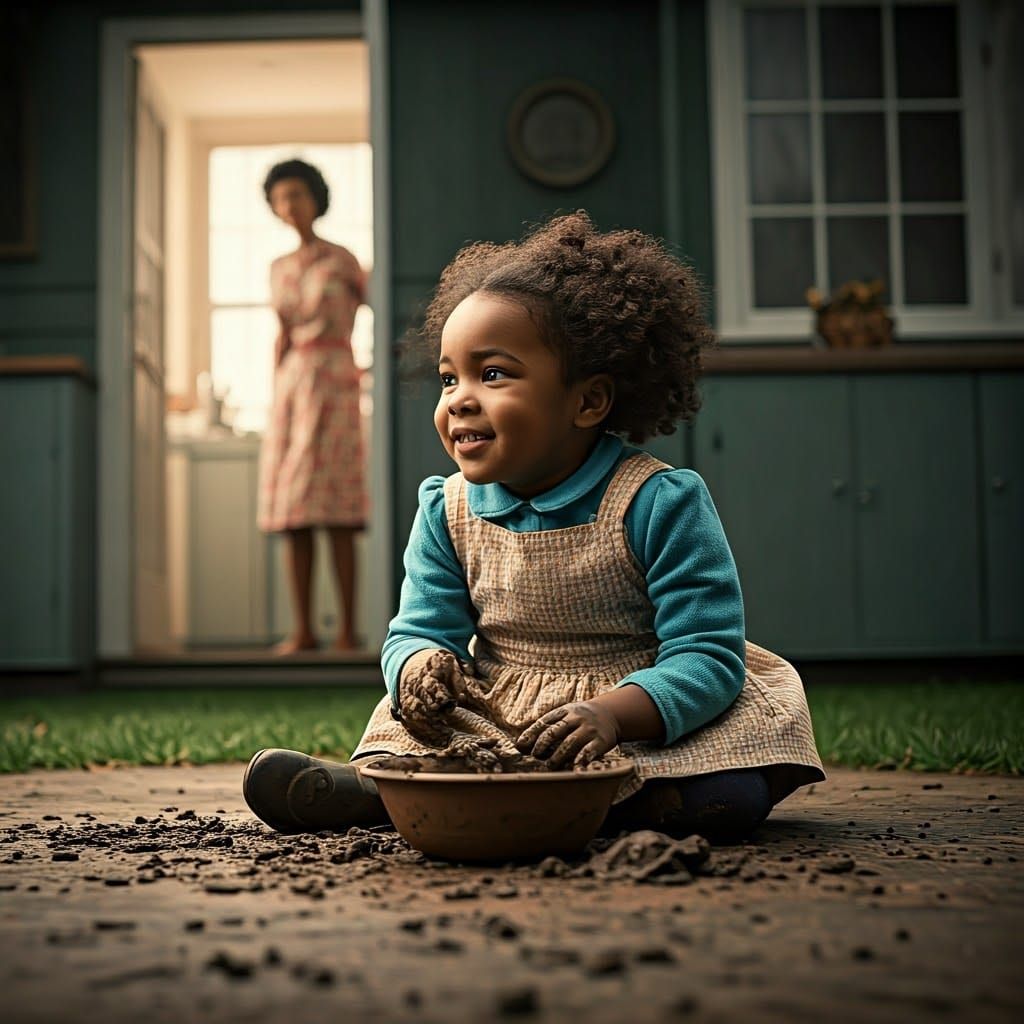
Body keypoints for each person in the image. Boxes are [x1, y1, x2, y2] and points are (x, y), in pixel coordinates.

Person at [243, 211, 824, 840]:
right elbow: (417, 629)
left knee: (730, 785)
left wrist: (612, 716)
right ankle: (376, 790)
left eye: (492, 374)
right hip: (497, 705)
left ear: (587, 401)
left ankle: (605, 797)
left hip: (635, 706)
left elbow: (707, 654)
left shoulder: (659, 501)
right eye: (448, 378)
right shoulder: (446, 509)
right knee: (409, 737)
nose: (459, 398)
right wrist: (418, 669)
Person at [258, 158, 367, 654]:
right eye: (281, 198)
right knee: (293, 513)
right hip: (291, 391)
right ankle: (303, 629)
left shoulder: (342, 260)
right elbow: (281, 334)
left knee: (338, 510)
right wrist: (274, 392)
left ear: (315, 198)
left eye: (297, 194)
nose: (290, 205)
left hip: (337, 385)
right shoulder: (278, 269)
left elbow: (376, 307)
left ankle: (347, 630)